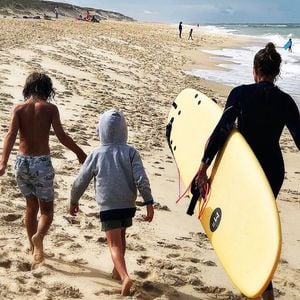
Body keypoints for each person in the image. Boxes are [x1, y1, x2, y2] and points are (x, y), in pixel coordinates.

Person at [195, 42, 300, 300]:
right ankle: (258, 287)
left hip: (243, 170)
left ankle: (258, 287)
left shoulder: (240, 94)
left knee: (244, 227)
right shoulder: (286, 101)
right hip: (272, 172)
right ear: (276, 72)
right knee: (255, 225)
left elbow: (221, 130)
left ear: (254, 70)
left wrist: (203, 165)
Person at [0, 72, 87, 268]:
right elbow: (62, 136)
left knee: (30, 206)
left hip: (21, 163)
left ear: (28, 88)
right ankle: (38, 237)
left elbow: (10, 135)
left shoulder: (19, 109)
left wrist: (3, 162)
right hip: (41, 163)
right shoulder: (49, 109)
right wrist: (80, 153)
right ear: (47, 90)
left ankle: (33, 249)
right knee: (47, 210)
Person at [70, 109, 155, 296]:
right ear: (124, 130)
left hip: (109, 206)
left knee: (114, 244)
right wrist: (148, 201)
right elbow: (142, 179)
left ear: (101, 130)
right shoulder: (131, 152)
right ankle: (117, 271)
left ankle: (125, 276)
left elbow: (80, 181)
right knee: (122, 236)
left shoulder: (97, 154)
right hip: (128, 206)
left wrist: (73, 200)